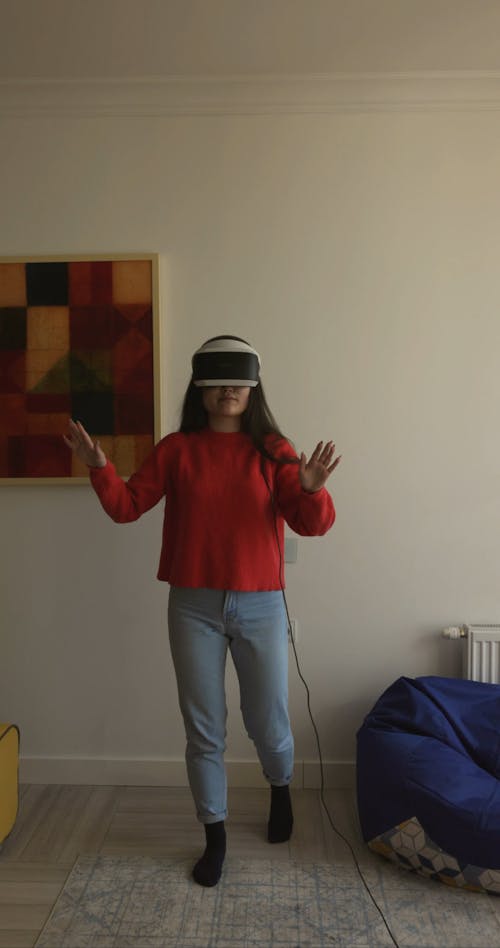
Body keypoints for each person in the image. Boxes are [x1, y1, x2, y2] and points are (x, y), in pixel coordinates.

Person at [64, 335, 340, 887]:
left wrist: (309, 489)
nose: (227, 391)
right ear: (200, 388)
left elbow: (314, 525)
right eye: (216, 383)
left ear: (254, 387)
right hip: (192, 606)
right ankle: (214, 836)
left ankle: (280, 789)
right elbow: (127, 506)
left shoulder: (275, 450)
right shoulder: (177, 449)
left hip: (260, 603)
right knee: (203, 727)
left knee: (268, 721)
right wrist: (99, 467)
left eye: (237, 381)